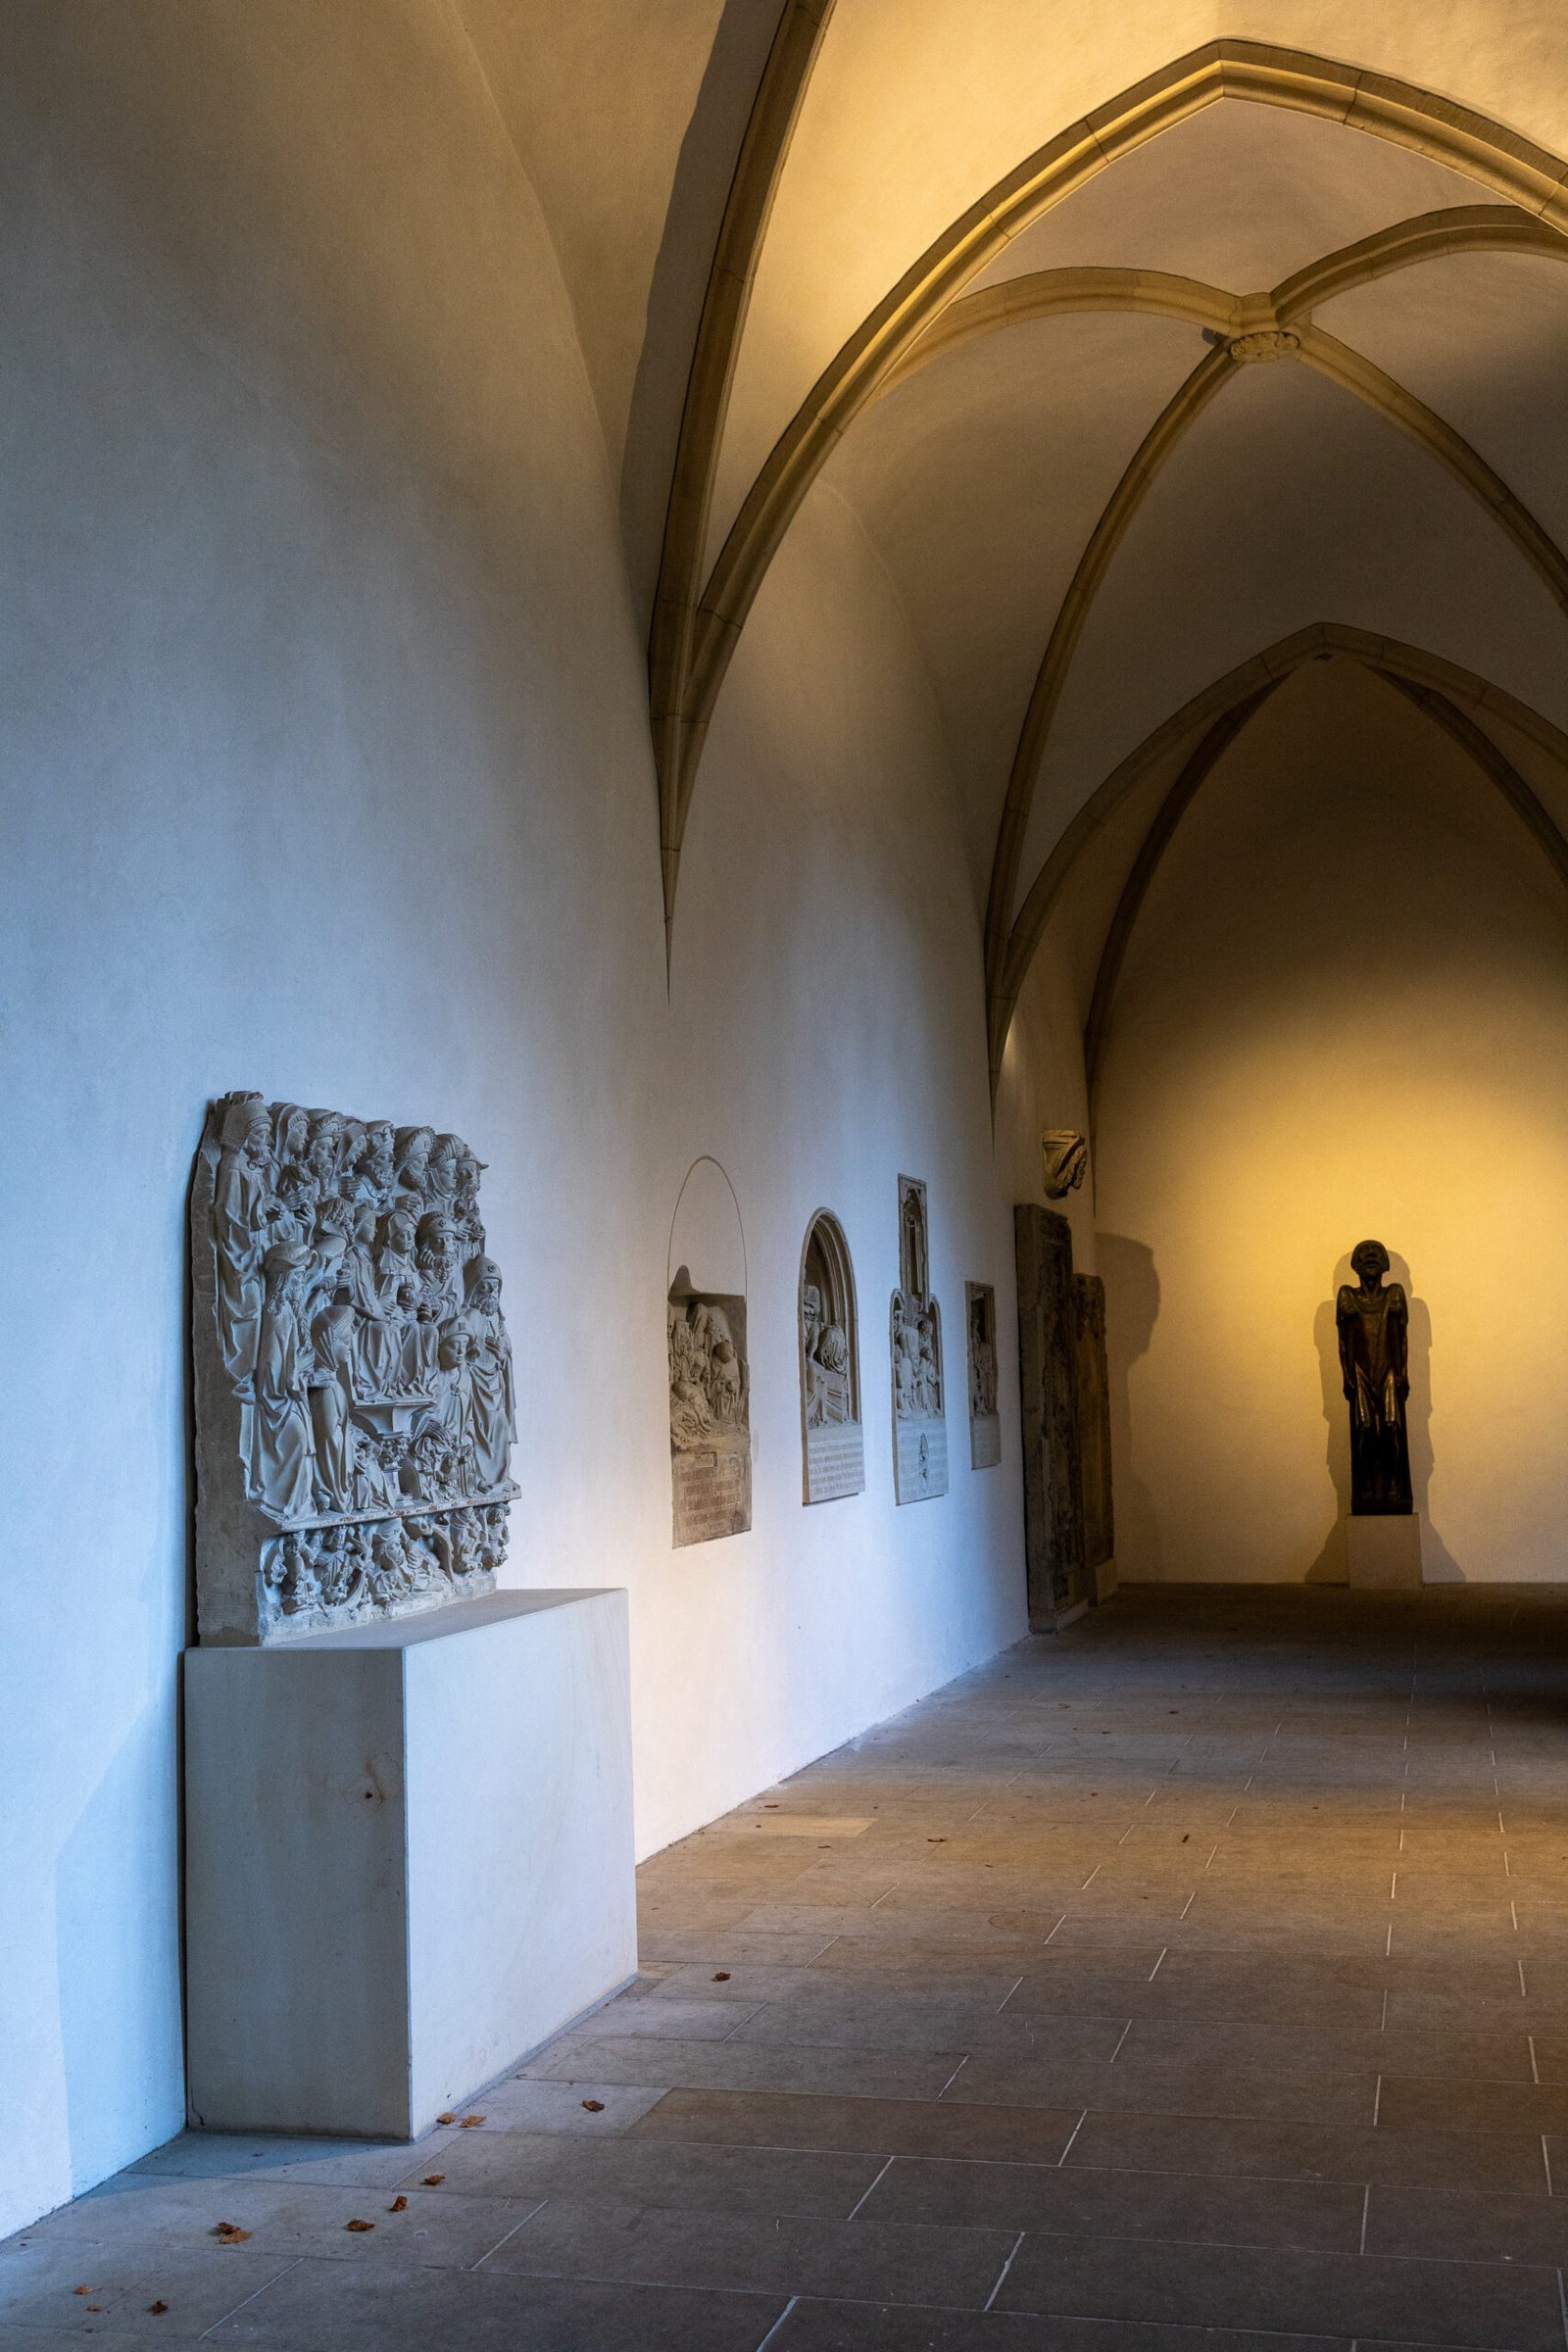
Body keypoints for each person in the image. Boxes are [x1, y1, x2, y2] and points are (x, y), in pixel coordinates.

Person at [1336, 1239, 1412, 1514]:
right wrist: (1346, 1375)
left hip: (1389, 1370)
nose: (1370, 1257)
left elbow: (1402, 1337)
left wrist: (1403, 1373)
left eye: (1376, 1253)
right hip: (1361, 1372)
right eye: (1364, 1253)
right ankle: (1366, 1486)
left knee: (1392, 1427)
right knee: (1364, 1429)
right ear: (1355, 1265)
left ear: (1385, 1264)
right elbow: (1343, 1341)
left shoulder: (1394, 1293)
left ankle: (1393, 1485)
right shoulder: (1347, 1296)